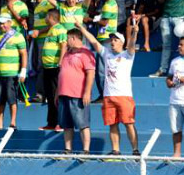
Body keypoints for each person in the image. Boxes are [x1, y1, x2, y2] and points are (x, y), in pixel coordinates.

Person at [79, 22, 140, 155]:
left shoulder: (128, 55)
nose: (112, 42)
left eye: (115, 40)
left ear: (121, 43)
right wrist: (82, 28)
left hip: (124, 96)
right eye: (111, 39)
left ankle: (135, 150)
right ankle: (115, 151)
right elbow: (94, 41)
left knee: (129, 123)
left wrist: (134, 32)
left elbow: (131, 44)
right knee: (112, 124)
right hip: (108, 96)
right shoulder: (106, 53)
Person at [57, 26, 96, 154]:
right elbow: (61, 73)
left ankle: (86, 150)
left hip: (78, 95)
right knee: (66, 125)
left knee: (83, 124)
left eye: (68, 38)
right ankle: (67, 149)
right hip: (64, 94)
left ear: (74, 38)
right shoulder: (67, 54)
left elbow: (91, 73)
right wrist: (57, 92)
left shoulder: (86, 53)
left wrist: (87, 92)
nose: (66, 41)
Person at [0, 13, 27, 130]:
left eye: (3, 23)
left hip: (12, 74)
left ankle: (13, 122)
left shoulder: (18, 36)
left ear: (10, 23)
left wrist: (23, 71)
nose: (1, 26)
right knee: (0, 98)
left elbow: (24, 53)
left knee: (11, 98)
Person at [152, 0, 184, 78]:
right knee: (166, 45)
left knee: (182, 43)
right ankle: (163, 69)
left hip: (179, 16)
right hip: (166, 16)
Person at [37, 9, 67, 130]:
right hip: (47, 67)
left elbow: (63, 45)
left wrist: (60, 62)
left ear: (50, 17)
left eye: (46, 16)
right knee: (49, 96)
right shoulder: (51, 29)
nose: (45, 18)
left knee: (57, 96)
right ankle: (51, 122)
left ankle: (60, 123)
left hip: (55, 67)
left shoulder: (60, 29)